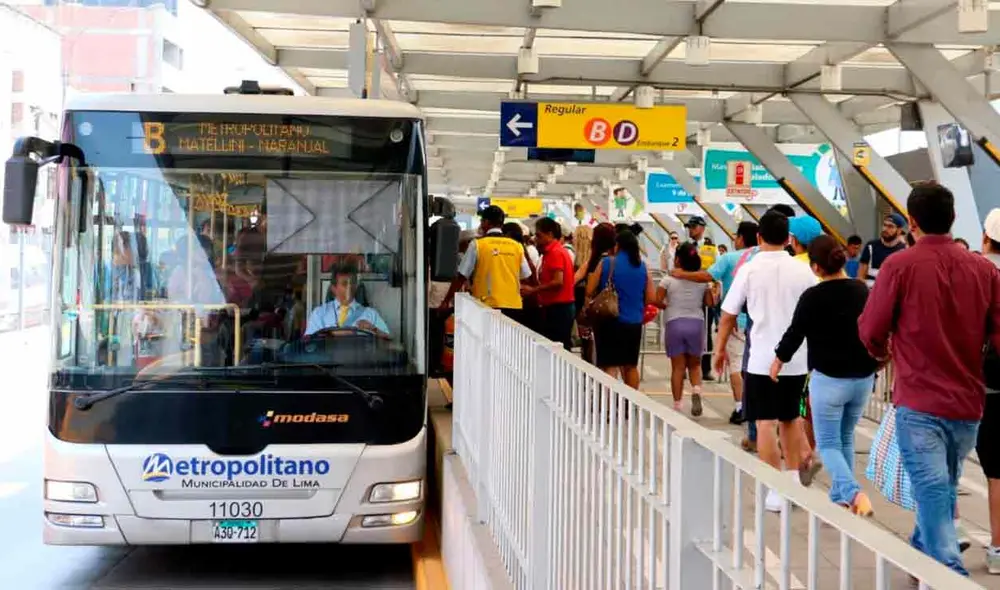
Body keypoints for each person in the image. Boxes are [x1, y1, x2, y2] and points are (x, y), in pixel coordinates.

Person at [858, 182, 1000, 576]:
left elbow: (871, 327)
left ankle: (947, 569)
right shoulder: (984, 270)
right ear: (954, 219)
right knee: (943, 482)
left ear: (912, 221)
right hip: (969, 403)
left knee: (935, 486)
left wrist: (879, 352)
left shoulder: (898, 266)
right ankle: (923, 549)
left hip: (919, 401)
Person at [715, 211, 819, 512]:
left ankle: (775, 490)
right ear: (788, 238)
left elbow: (728, 315)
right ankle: (792, 483)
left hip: (760, 360)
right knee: (790, 420)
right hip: (796, 359)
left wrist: (720, 350)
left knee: (763, 423)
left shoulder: (749, 269)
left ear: (759, 237)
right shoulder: (804, 271)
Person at [769, 235, 878, 516]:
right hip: (863, 379)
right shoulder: (863, 291)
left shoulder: (813, 297)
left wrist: (778, 360)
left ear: (816, 268)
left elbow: (795, 334)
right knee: (846, 438)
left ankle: (853, 493)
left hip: (829, 379)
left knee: (828, 443)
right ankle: (840, 499)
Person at [669, 221, 759, 426]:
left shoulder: (730, 258)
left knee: (736, 365)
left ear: (742, 238)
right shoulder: (764, 257)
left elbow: (707, 275)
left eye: (736, 236)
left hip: (735, 321)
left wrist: (682, 274)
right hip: (763, 321)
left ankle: (740, 407)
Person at [585, 230, 655, 389]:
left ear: (618, 246)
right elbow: (651, 298)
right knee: (630, 366)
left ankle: (610, 406)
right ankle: (631, 405)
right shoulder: (643, 267)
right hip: (633, 323)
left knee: (609, 365)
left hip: (609, 321)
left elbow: (589, 290)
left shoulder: (607, 263)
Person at [440, 205, 532, 323]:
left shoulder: (478, 244)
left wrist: (447, 300)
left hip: (486, 304)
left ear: (486, 222)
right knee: (507, 340)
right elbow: (526, 275)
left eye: (481, 221)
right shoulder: (516, 246)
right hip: (514, 306)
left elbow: (462, 275)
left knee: (487, 340)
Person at [655, 241, 712, 415]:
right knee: (695, 365)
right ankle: (696, 391)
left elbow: (657, 300)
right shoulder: (702, 280)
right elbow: (710, 302)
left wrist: (668, 307)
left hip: (674, 323)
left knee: (678, 367)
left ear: (678, 260)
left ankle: (678, 405)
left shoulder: (667, 280)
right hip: (696, 323)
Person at [525, 217, 576, 350]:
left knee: (558, 347)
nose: (536, 239)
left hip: (559, 307)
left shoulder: (555, 253)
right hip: (559, 306)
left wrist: (533, 290)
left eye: (539, 235)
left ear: (550, 234)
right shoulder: (553, 252)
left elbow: (558, 281)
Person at [305, 264, 390, 337]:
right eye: (345, 284)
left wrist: (373, 329)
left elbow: (388, 341)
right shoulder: (319, 314)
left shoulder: (370, 314)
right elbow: (309, 343)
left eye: (352, 283)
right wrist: (332, 334)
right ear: (333, 288)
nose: (350, 287)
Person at [575, 223, 616, 365]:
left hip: (594, 310)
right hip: (615, 311)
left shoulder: (593, 262)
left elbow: (578, 281)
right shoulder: (620, 261)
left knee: (590, 349)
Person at [686, 216, 719, 381]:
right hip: (689, 294)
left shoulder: (712, 249)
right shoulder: (685, 247)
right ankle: (687, 366)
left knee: (706, 331)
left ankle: (706, 369)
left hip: (705, 295)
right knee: (689, 330)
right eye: (689, 227)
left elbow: (717, 269)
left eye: (693, 227)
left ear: (702, 228)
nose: (690, 230)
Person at [858, 213, 907, 288]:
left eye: (890, 226)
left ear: (899, 231)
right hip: (869, 295)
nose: (885, 229)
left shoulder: (904, 251)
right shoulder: (871, 246)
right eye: (884, 225)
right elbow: (860, 277)